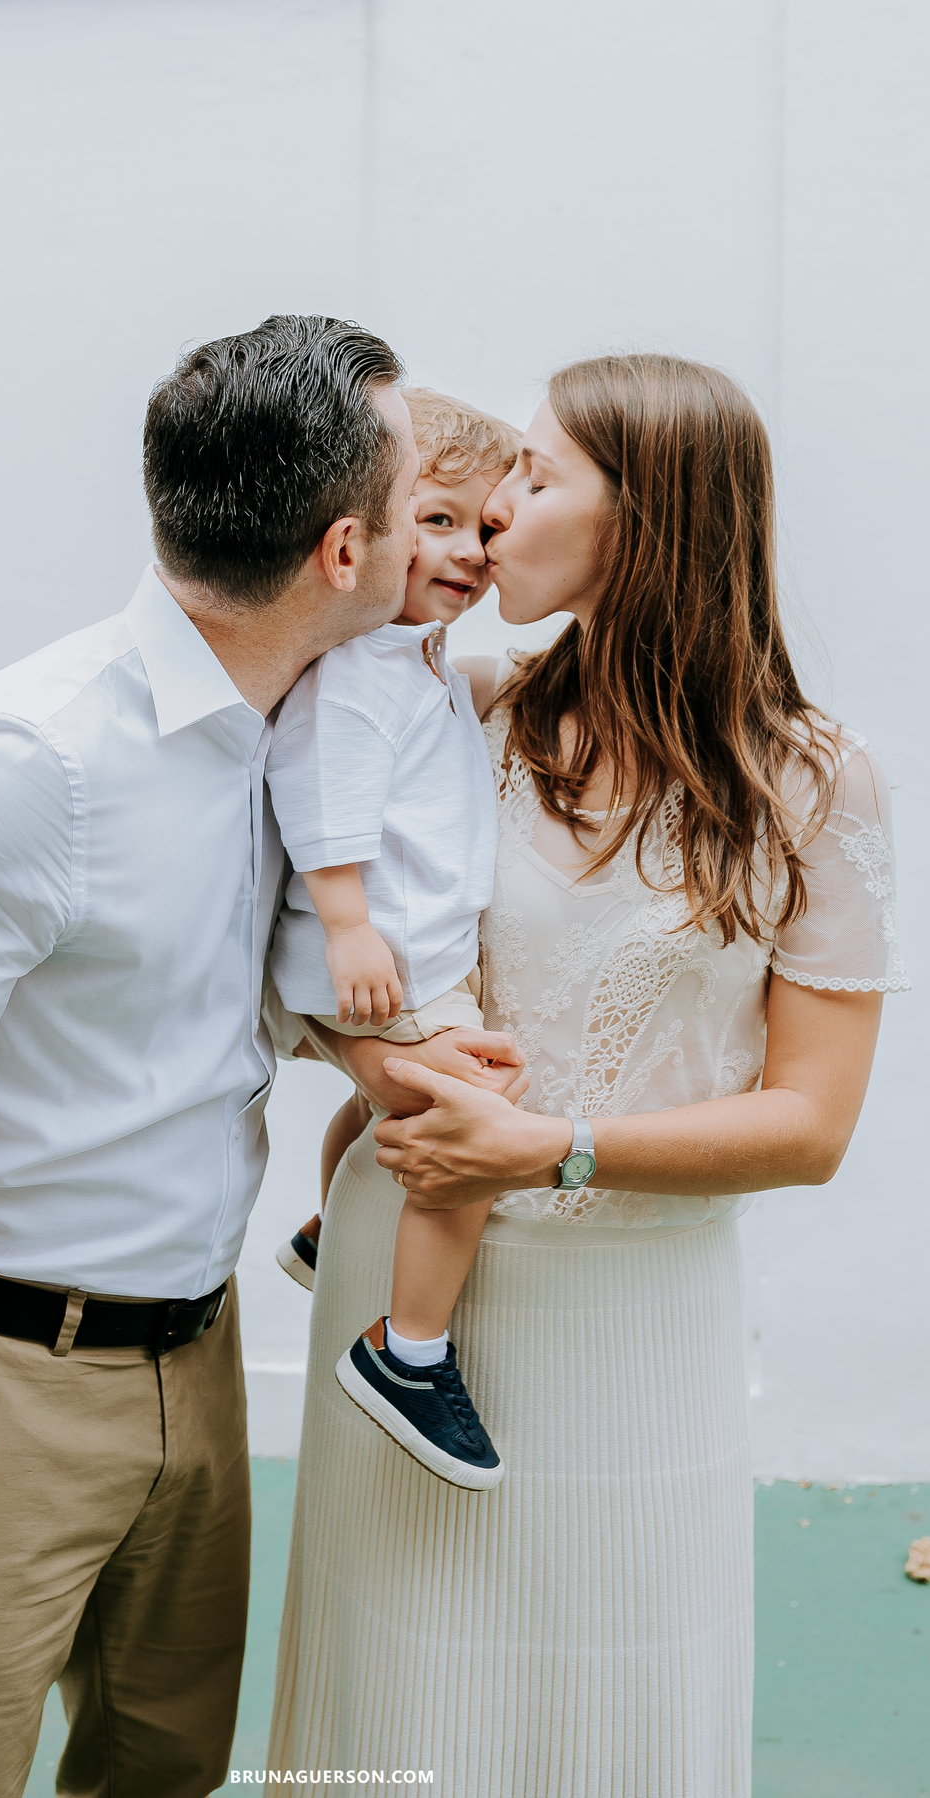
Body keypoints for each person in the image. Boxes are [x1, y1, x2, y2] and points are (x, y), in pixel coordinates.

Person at [0, 315, 516, 1798]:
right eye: (427, 495)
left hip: (196, 1357)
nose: (471, 536)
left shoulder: (308, 726)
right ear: (344, 549)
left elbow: (237, 993)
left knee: (163, 1768)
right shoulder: (36, 760)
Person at [268, 353, 907, 1794]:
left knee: (619, 1703)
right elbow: (292, 949)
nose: (495, 509)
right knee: (397, 1693)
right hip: (405, 1275)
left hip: (637, 1312)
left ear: (647, 520)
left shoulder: (815, 783)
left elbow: (811, 1125)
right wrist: (389, 1065)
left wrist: (548, 1146)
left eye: (537, 476)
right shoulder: (460, 707)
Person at [267, 389, 520, 1490]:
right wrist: (349, 928)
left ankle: (330, 1225)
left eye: (486, 529)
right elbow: (321, 796)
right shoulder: (362, 668)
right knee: (478, 1124)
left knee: (381, 1107)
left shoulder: (414, 656)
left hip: (402, 947)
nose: (468, 552)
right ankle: (408, 1352)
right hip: (388, 955)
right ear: (361, 531)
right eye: (438, 520)